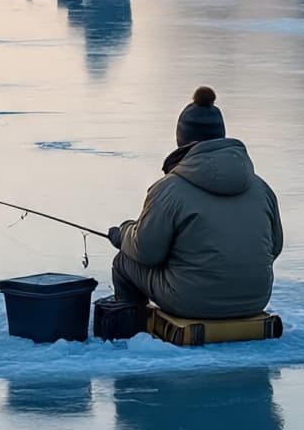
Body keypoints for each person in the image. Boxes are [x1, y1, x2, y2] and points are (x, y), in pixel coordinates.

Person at [106, 86, 282, 319]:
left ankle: (134, 330)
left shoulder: (169, 189)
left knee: (124, 261)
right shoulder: (261, 188)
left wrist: (123, 234)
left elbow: (147, 252)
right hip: (255, 299)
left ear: (182, 139)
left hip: (191, 301)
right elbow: (275, 247)